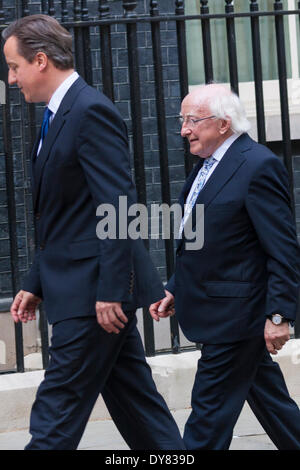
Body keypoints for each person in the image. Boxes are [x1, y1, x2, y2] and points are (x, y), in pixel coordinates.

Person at [3, 14, 185, 451]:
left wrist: (110, 291)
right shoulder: (55, 116)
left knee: (55, 415)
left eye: (14, 67)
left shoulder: (89, 111)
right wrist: (35, 282)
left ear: (41, 60)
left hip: (93, 298)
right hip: (81, 286)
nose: (11, 79)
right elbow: (69, 215)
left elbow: (118, 207)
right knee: (140, 413)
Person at [150, 83, 300, 450]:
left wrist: (280, 314)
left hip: (237, 316)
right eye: (182, 119)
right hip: (222, 308)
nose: (183, 129)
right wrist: (176, 285)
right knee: (272, 403)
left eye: (192, 119)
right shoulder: (208, 166)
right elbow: (208, 242)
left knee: (207, 419)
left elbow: (282, 249)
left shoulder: (256, 165)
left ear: (223, 123)